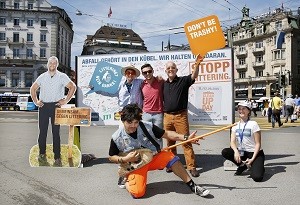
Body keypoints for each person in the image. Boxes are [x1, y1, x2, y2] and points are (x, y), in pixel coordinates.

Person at [108, 104, 210, 198]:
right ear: (123, 121)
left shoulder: (147, 126)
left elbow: (167, 134)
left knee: (171, 158)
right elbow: (111, 157)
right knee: (138, 193)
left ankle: (193, 186)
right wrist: (126, 158)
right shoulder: (117, 137)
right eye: (129, 122)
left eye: (136, 122)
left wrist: (186, 137)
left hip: (152, 157)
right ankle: (126, 178)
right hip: (135, 165)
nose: (133, 126)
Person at [30, 56, 76, 166]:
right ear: (47, 64)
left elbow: (72, 87)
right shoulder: (42, 77)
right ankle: (42, 153)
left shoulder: (62, 76)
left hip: (56, 106)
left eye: (54, 63)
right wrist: (36, 101)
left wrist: (65, 100)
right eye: (50, 63)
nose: (52, 65)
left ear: (57, 65)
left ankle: (57, 157)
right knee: (42, 132)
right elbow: (33, 88)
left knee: (56, 133)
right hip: (43, 107)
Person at [163, 56, 203, 177]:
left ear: (176, 70)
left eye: (173, 68)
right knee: (170, 143)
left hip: (181, 116)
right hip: (167, 117)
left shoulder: (183, 81)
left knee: (186, 141)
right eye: (168, 68)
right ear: (166, 71)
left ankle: (191, 167)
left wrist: (197, 64)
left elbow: (194, 75)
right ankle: (171, 164)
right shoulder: (163, 84)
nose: (171, 69)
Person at [221, 101, 265, 182]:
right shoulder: (235, 125)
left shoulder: (253, 124)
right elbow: (232, 142)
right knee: (225, 151)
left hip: (255, 153)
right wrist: (236, 151)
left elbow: (258, 144)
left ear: (249, 111)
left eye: (243, 108)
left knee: (257, 177)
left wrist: (252, 159)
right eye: (239, 109)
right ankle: (243, 165)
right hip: (242, 152)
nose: (241, 111)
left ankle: (256, 166)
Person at [117, 65, 143, 188]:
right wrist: (96, 89)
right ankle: (122, 175)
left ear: (135, 75)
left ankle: (135, 171)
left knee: (135, 144)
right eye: (128, 73)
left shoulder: (140, 82)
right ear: (125, 74)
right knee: (123, 145)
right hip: (124, 117)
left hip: (135, 116)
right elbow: (109, 92)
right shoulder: (120, 85)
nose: (130, 75)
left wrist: (158, 78)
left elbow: (151, 82)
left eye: (132, 73)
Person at [140, 63, 164, 147]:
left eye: (149, 71)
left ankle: (159, 156)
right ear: (142, 74)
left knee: (158, 136)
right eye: (145, 72)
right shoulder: (141, 84)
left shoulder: (160, 82)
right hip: (146, 114)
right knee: (146, 136)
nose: (147, 74)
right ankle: (148, 156)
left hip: (158, 114)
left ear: (153, 71)